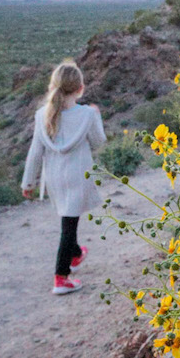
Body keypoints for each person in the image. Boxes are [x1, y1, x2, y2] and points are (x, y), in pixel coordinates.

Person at [21, 59, 107, 295]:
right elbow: (99, 142)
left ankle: (76, 254)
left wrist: (29, 182)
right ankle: (61, 277)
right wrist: (96, 115)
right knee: (68, 225)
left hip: (55, 178)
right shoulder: (87, 114)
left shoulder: (42, 115)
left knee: (69, 218)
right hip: (78, 175)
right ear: (80, 88)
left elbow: (35, 151)